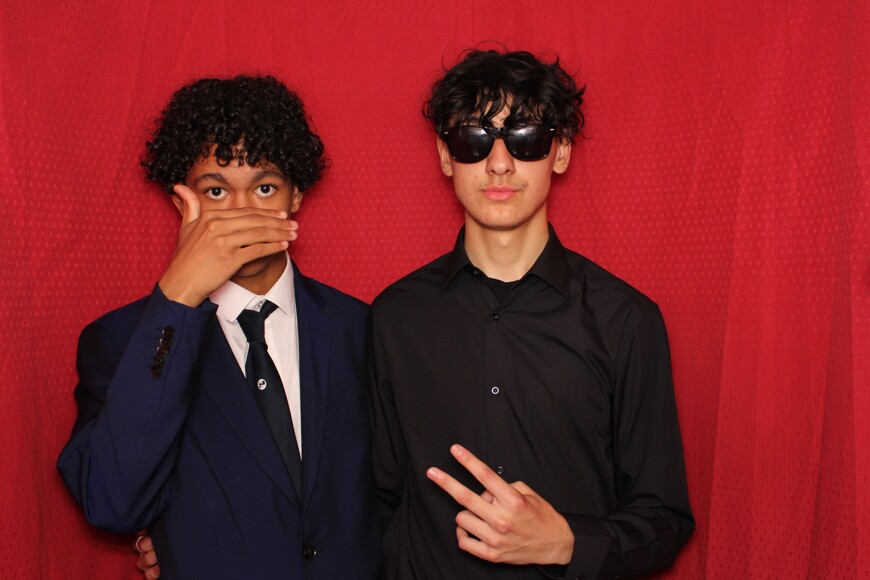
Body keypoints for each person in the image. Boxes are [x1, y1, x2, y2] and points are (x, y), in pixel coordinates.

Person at [368, 48, 695, 579]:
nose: (499, 163)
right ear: (446, 156)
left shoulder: (625, 321)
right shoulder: (394, 318)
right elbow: (375, 503)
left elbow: (664, 518)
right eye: (473, 138)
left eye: (526, 138)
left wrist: (567, 542)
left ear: (560, 152)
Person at [57, 75, 381, 579]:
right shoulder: (123, 342)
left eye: (265, 188)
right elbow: (113, 502)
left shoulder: (363, 329)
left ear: (296, 196)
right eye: (215, 191)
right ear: (180, 202)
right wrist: (177, 298)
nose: (241, 213)